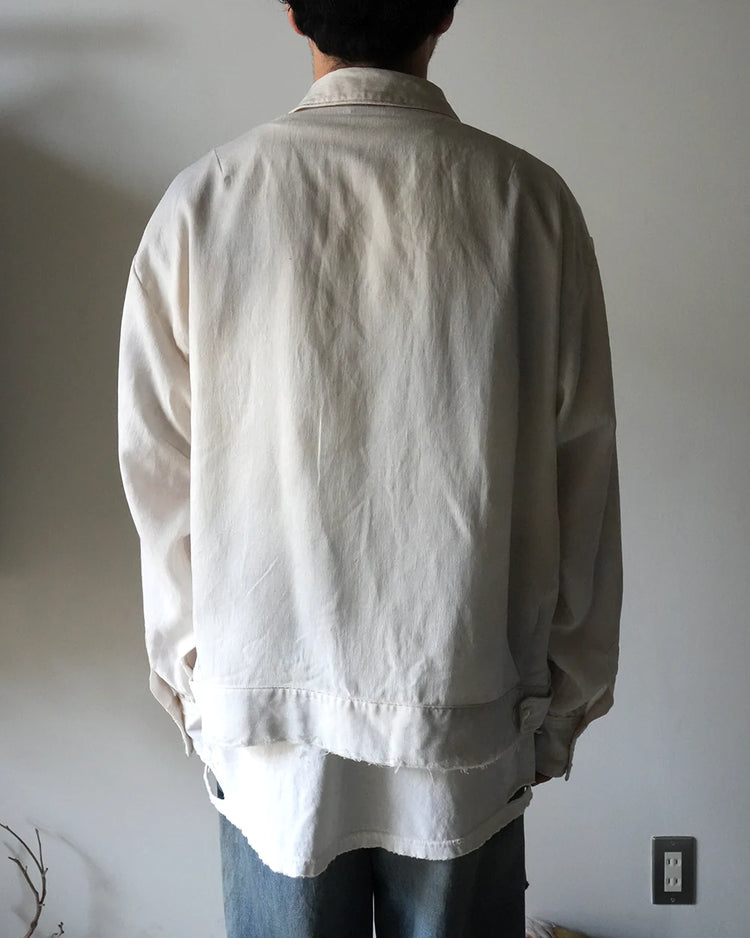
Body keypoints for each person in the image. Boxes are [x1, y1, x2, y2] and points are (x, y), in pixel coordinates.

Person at [118, 1, 622, 935]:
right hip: (469, 729)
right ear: (446, 9)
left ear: (291, 9)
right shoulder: (528, 206)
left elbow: (159, 484)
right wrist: (560, 710)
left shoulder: (205, 205)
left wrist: (199, 693)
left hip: (271, 746)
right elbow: (582, 480)